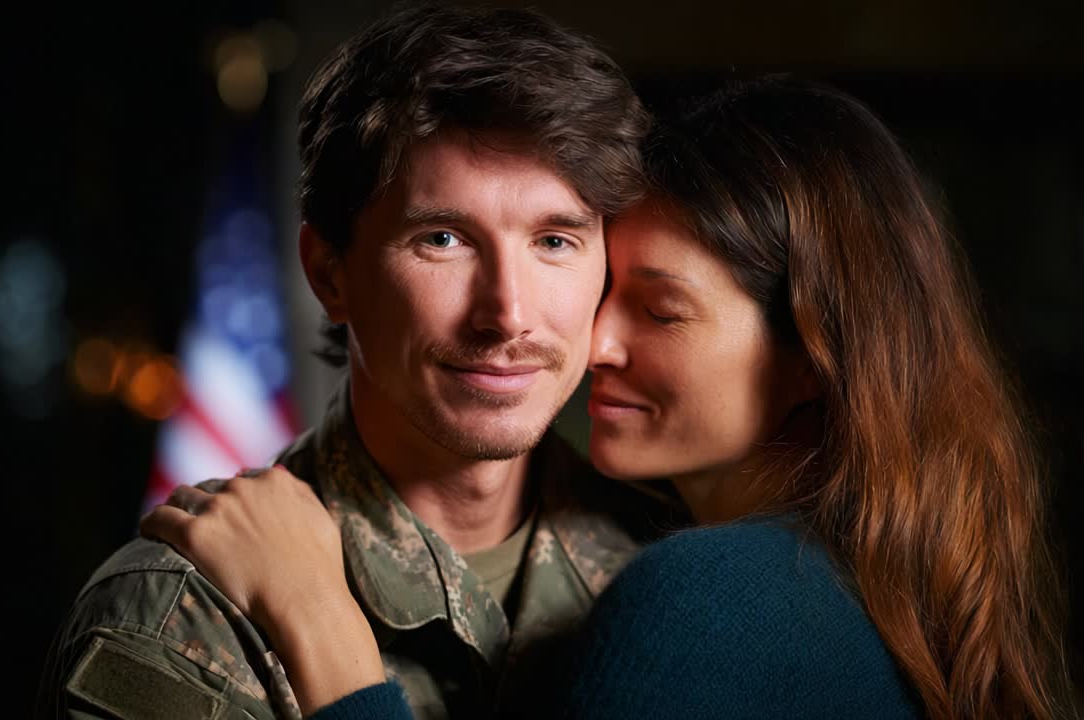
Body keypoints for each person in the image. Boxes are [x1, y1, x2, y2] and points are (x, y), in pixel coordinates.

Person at [143, 77, 1077, 719]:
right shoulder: (860, 574)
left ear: (813, 358)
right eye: (603, 286)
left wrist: (321, 626)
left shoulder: (713, 603)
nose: (594, 342)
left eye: (662, 312)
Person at [37, 5, 685, 719]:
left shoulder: (677, 570)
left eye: (555, 241)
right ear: (330, 272)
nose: (508, 313)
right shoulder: (183, 618)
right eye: (442, 238)